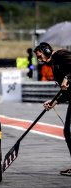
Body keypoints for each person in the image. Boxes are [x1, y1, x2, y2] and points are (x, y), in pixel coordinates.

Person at [33, 42, 71, 176]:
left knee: (69, 131)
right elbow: (66, 92)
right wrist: (55, 102)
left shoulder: (61, 55)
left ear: (47, 50)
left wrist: (67, 78)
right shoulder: (54, 66)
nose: (40, 60)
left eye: (40, 55)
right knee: (68, 132)